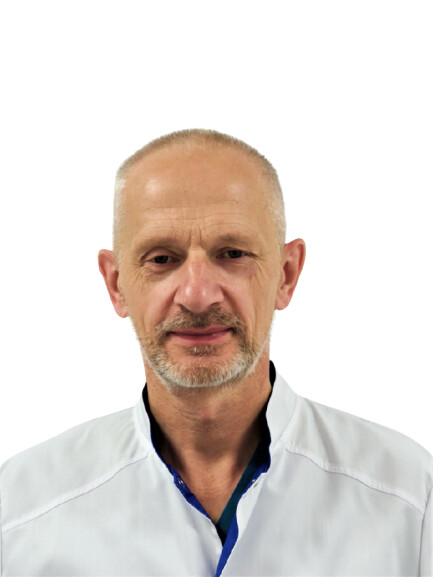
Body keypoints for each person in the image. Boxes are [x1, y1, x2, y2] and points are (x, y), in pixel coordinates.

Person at [0, 129, 431, 577]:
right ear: (116, 284)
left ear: (286, 275)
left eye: (232, 253)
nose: (197, 295)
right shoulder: (20, 516)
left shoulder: (409, 500)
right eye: (161, 259)